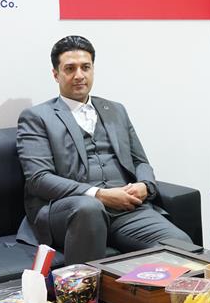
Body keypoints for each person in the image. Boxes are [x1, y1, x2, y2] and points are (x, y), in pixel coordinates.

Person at [16, 35, 191, 265]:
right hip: (71, 210)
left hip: (125, 210)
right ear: (56, 74)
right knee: (89, 208)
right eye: (70, 68)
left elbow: (140, 161)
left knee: (182, 247)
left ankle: (137, 289)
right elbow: (39, 179)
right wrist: (99, 195)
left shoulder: (115, 110)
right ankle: (81, 288)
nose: (79, 75)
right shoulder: (37, 117)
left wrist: (145, 186)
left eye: (85, 67)